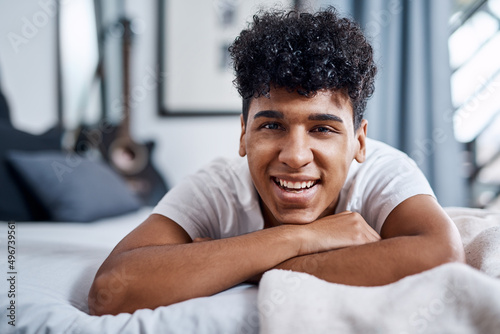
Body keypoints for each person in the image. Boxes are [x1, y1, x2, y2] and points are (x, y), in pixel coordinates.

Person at [88, 7, 465, 316]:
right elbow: (110, 291)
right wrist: (304, 238)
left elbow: (441, 254)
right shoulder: (216, 186)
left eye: (322, 129)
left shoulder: (382, 172)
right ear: (243, 134)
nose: (295, 156)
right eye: (271, 125)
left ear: (359, 142)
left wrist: (240, 265)